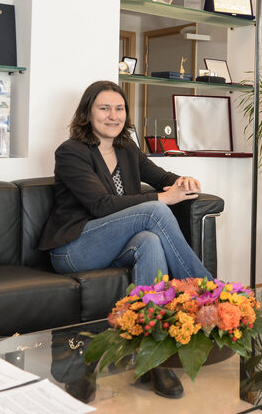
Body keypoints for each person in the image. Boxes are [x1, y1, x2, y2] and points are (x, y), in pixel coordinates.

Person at [40, 80, 213, 399]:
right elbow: (99, 205)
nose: (113, 115)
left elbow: (161, 177)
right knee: (154, 211)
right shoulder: (71, 152)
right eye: (104, 108)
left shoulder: (127, 149)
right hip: (74, 247)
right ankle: (208, 294)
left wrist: (181, 180)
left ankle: (152, 356)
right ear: (87, 113)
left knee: (149, 240)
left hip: (114, 244)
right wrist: (163, 198)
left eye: (119, 108)